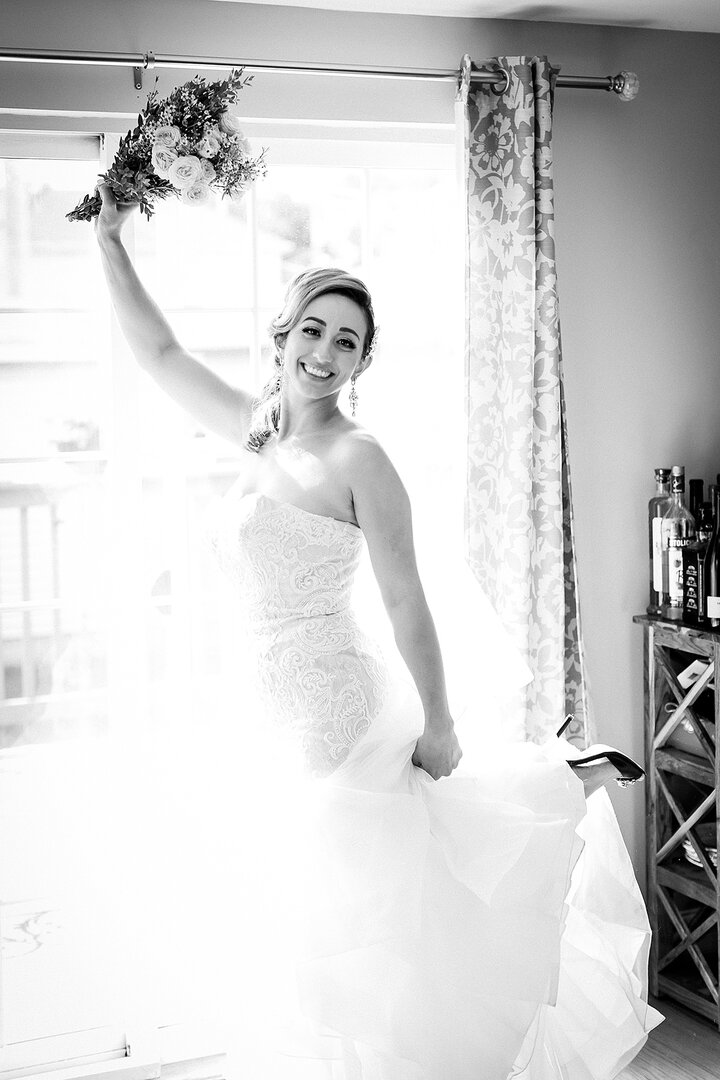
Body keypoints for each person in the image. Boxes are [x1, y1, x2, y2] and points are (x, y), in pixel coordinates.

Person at [95, 183, 662, 1079]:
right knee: (369, 902)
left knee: (370, 929)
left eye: (346, 342)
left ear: (362, 361)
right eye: (313, 331)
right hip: (267, 717)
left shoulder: (362, 458)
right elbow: (160, 353)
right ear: (283, 336)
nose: (324, 354)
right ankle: (562, 775)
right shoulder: (257, 434)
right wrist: (110, 241)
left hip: (334, 710)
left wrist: (439, 721)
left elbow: (406, 601)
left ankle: (560, 783)